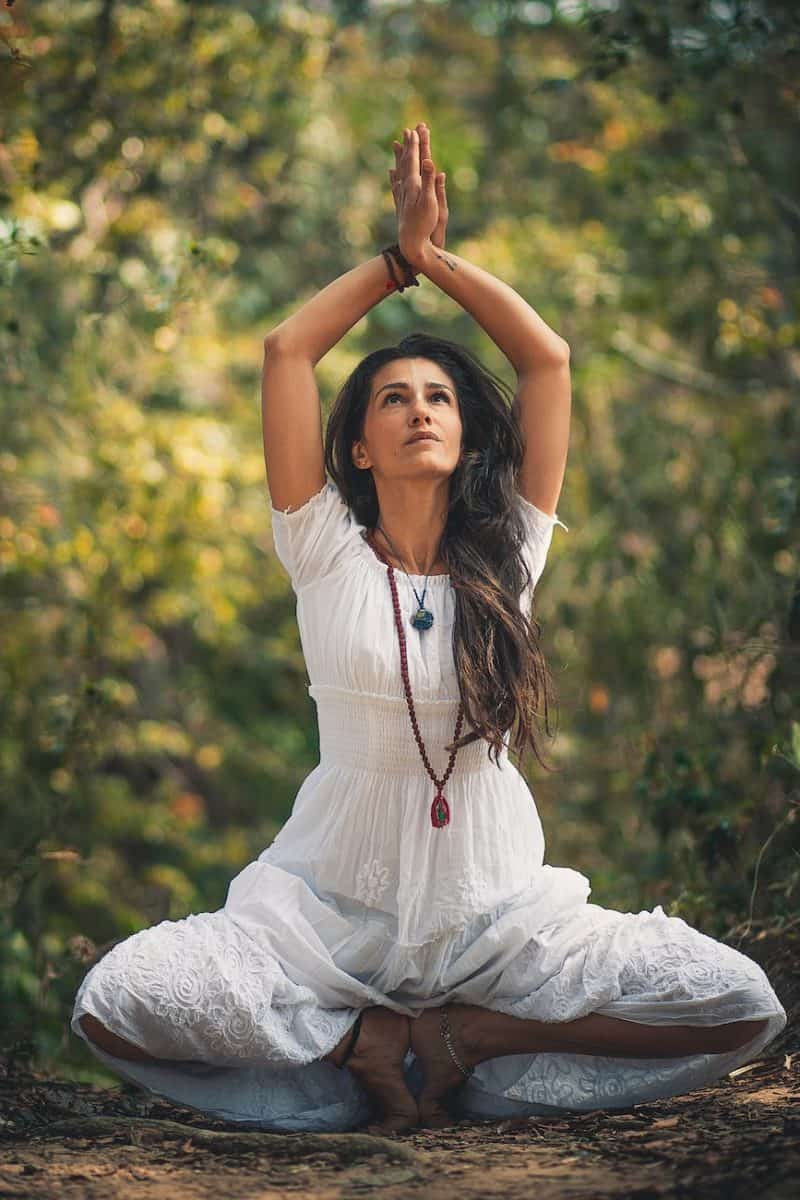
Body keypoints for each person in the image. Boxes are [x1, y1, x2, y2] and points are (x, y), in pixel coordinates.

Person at [73, 122, 786, 1135]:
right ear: (356, 447)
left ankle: (469, 1039)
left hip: (496, 917)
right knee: (118, 1003)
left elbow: (545, 362)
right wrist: (387, 264)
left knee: (734, 1004)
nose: (419, 410)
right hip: (324, 915)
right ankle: (356, 1045)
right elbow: (287, 349)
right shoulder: (319, 547)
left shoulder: (510, 552)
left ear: (463, 434)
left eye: (439, 397)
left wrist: (436, 261)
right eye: (393, 399)